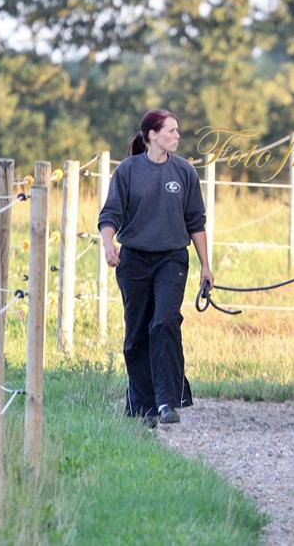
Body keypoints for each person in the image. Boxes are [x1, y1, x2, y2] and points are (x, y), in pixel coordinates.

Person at [98, 109, 212, 428]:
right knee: (136, 335)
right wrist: (109, 245)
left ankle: (166, 401)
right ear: (152, 135)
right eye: (171, 131)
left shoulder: (185, 172)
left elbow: (196, 223)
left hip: (172, 258)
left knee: (163, 323)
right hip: (133, 259)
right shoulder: (128, 171)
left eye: (177, 131)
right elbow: (109, 216)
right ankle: (142, 405)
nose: (177, 136)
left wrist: (206, 266)